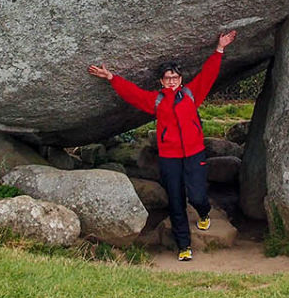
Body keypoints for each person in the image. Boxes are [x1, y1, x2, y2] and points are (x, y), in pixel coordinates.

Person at [88, 31, 237, 261]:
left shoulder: (190, 95)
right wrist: (111, 78)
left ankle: (204, 212)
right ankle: (184, 246)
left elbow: (209, 74)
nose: (172, 81)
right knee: (176, 200)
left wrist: (219, 49)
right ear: (161, 81)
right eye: (168, 78)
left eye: (175, 77)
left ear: (181, 79)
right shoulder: (156, 100)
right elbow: (133, 94)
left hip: (194, 152)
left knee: (197, 195)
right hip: (169, 157)